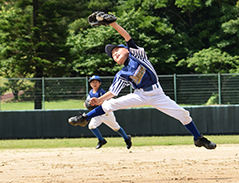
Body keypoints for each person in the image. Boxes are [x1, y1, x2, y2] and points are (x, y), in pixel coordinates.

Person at [68, 13, 216, 150]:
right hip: (140, 95)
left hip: (157, 94)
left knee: (184, 115)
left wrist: (112, 24)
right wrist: (98, 100)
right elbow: (113, 92)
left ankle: (198, 138)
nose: (115, 54)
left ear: (126, 49)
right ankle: (84, 118)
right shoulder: (122, 74)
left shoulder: (137, 55)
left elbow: (127, 37)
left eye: (116, 50)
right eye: (112, 55)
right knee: (109, 104)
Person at [83, 75, 132, 149]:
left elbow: (105, 102)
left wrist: (96, 103)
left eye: (96, 82)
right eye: (92, 82)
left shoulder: (101, 92)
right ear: (90, 84)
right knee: (91, 126)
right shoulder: (90, 92)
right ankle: (101, 140)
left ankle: (126, 138)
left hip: (106, 113)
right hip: (96, 113)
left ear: (99, 83)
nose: (94, 84)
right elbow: (86, 102)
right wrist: (86, 104)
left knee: (116, 127)